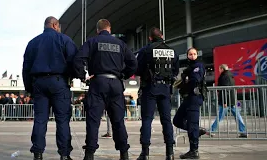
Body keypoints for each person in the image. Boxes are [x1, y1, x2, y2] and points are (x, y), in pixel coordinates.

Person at [73, 19, 137, 160]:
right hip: (115, 83)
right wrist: (123, 74)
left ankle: (89, 155)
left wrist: (82, 76)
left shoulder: (92, 41)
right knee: (118, 120)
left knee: (93, 120)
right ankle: (124, 154)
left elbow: (78, 59)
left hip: (98, 82)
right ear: (110, 29)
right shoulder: (121, 44)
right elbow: (133, 63)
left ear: (97, 30)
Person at [23, 16, 78, 160]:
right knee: (62, 120)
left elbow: (26, 67)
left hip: (39, 83)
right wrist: (75, 76)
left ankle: (38, 153)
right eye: (58, 26)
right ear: (54, 25)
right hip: (59, 82)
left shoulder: (33, 43)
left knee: (40, 120)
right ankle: (64, 155)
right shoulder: (64, 40)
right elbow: (74, 61)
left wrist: (30, 88)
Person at [135, 27, 179, 160]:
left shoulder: (146, 50)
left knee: (147, 120)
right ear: (162, 36)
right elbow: (175, 71)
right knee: (166, 121)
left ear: (150, 38)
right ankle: (170, 153)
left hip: (150, 88)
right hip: (165, 89)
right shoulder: (171, 51)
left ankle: (145, 153)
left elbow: (137, 69)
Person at [173, 47, 207, 159]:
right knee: (177, 120)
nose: (192, 56)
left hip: (194, 97)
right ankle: (197, 130)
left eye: (194, 54)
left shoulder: (198, 66)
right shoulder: (189, 68)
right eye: (190, 54)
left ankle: (194, 151)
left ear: (197, 55)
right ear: (187, 56)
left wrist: (185, 82)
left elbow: (195, 80)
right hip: (188, 98)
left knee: (192, 124)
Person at [208, 64, 247, 138]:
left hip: (226, 100)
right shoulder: (230, 76)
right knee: (237, 116)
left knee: (220, 116)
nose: (219, 71)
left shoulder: (224, 76)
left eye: (219, 69)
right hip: (232, 100)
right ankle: (243, 131)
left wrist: (224, 101)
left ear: (222, 69)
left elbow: (225, 89)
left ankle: (212, 130)